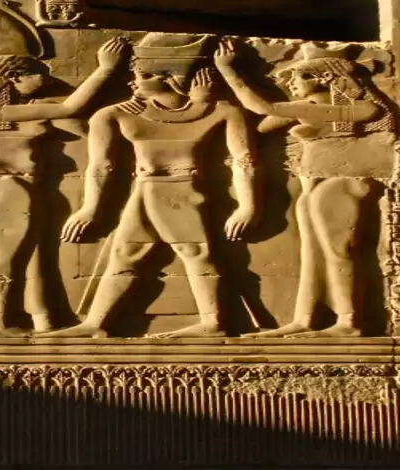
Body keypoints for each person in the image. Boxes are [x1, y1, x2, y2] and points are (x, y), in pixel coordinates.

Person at [41, 34, 260, 338]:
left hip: (181, 191)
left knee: (194, 250)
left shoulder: (220, 111)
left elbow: (244, 160)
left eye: (142, 75)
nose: (133, 81)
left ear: (170, 77)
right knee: (126, 252)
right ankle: (95, 324)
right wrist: (89, 208)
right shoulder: (115, 113)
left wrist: (248, 206)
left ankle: (213, 323)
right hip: (145, 189)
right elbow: (101, 166)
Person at [0, 37, 128, 335]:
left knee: (37, 258)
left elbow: (84, 127)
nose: (47, 80)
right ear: (13, 77)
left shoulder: (35, 108)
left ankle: (45, 320)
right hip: (4, 183)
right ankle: (1, 324)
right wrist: (106, 69)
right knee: (7, 257)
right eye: (38, 74)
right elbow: (70, 108)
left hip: (27, 185)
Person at [214, 40, 396, 338]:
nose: (290, 83)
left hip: (342, 181)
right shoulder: (309, 108)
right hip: (314, 182)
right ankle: (306, 319)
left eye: (297, 77)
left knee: (338, 250)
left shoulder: (360, 108)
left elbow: (262, 108)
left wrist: (228, 71)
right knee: (311, 253)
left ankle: (349, 322)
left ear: (324, 77)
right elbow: (261, 127)